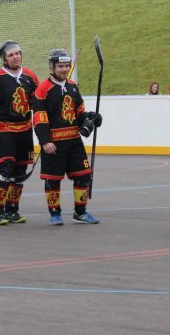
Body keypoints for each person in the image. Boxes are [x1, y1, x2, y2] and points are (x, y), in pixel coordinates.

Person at [33, 49, 102, 225]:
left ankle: (80, 212)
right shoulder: (43, 89)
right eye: (60, 66)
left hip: (74, 141)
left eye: (66, 66)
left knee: (83, 175)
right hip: (54, 142)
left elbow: (79, 113)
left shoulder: (72, 86)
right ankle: (54, 213)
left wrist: (91, 118)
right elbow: (40, 118)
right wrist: (45, 141)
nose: (64, 69)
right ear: (52, 67)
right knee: (53, 179)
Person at [0, 40, 40, 225]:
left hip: (24, 130)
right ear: (4, 58)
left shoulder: (30, 76)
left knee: (20, 171)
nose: (15, 57)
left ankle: (12, 210)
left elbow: (38, 102)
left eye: (17, 53)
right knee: (6, 169)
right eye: (11, 55)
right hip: (3, 129)